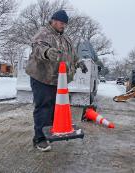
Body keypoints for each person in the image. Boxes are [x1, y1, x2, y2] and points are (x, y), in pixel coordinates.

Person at [25, 10, 88, 152]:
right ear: (53, 20)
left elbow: (72, 55)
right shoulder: (44, 33)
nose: (63, 25)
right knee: (43, 107)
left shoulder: (65, 39)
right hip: (42, 77)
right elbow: (38, 48)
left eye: (65, 23)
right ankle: (39, 139)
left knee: (54, 108)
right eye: (61, 22)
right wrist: (47, 52)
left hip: (57, 80)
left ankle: (48, 133)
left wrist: (79, 63)